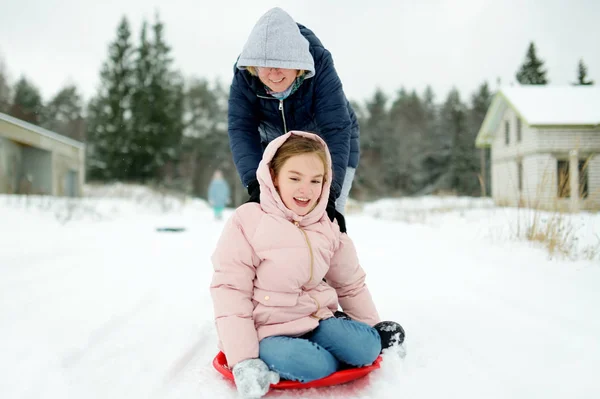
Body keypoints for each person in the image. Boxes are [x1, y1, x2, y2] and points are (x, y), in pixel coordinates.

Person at [210, 132, 404, 399]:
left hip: (316, 321)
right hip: (269, 331)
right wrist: (243, 358)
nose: (306, 189)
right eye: (294, 178)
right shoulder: (249, 221)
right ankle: (313, 356)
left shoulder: (327, 224)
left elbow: (350, 284)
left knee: (367, 347)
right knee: (315, 365)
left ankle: (332, 346)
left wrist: (370, 326)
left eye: (316, 180)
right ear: (274, 177)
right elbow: (230, 290)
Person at [228, 7, 360, 233]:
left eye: (282, 64)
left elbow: (336, 127)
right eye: (265, 66)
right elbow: (241, 128)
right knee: (274, 226)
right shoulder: (244, 76)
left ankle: (328, 264)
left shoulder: (320, 64)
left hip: (328, 152)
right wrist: (255, 183)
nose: (274, 74)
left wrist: (331, 192)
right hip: (280, 157)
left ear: (298, 63)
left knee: (324, 224)